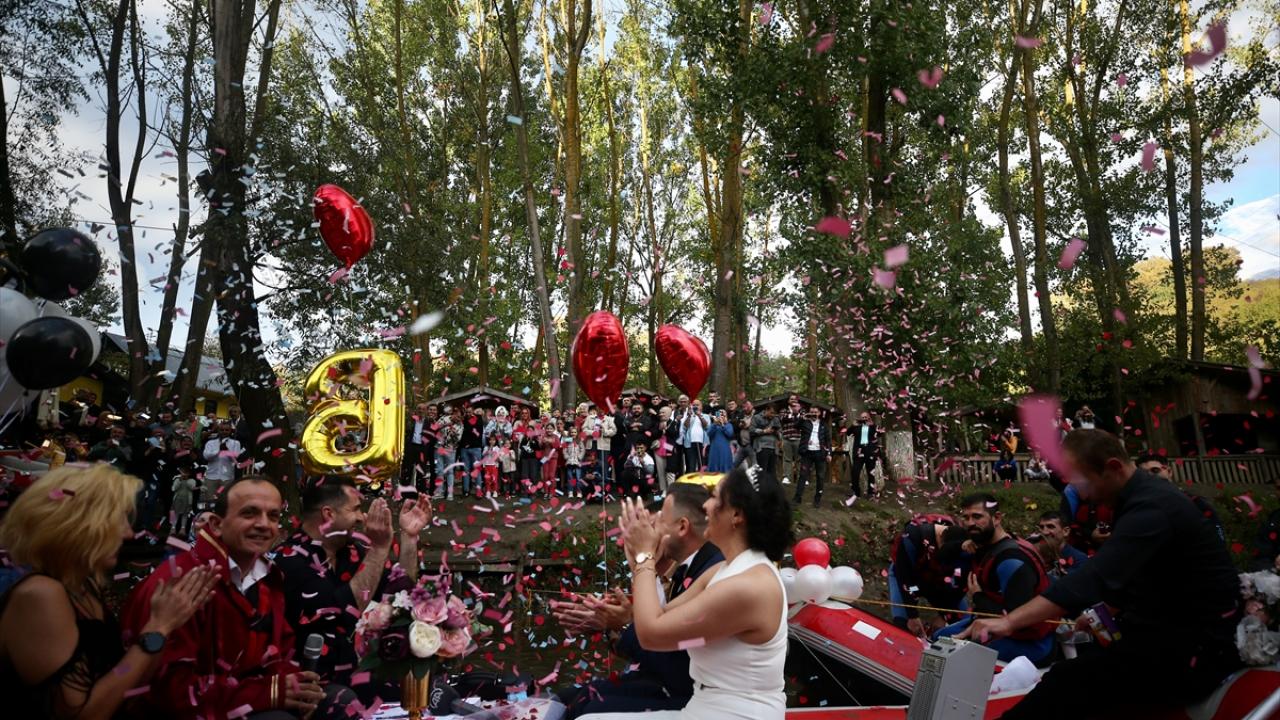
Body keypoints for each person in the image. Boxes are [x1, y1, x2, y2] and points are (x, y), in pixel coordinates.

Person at [960, 429, 1243, 719]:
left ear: (1113, 468)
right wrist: (1105, 609)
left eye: (1082, 482)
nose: (1081, 494)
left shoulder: (1153, 507)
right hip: (1162, 633)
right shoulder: (1136, 501)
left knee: (1064, 683)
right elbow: (1142, 572)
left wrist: (1008, 622)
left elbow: (1094, 577)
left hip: (1195, 648)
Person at [122, 475, 354, 719]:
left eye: (273, 516)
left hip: (250, 701)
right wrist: (269, 693)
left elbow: (280, 652)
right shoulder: (182, 579)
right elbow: (170, 692)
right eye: (249, 513)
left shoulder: (268, 576)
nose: (263, 524)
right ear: (216, 524)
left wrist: (293, 685)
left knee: (339, 701)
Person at [0, 464, 218, 719]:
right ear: (76, 524)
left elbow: (125, 681)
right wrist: (158, 628)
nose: (128, 532)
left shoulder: (85, 584)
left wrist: (166, 623)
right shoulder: (41, 594)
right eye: (118, 519)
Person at [580, 465, 793, 720]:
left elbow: (650, 635)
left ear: (736, 515)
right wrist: (642, 564)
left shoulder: (751, 585)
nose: (706, 506)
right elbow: (660, 616)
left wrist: (644, 556)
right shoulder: (725, 570)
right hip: (705, 707)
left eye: (715, 499)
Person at [551, 484, 723, 718]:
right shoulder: (687, 569)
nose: (645, 536)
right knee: (575, 697)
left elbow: (672, 658)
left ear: (682, 527)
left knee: (589, 711)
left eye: (655, 525)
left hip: (690, 693)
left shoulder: (710, 571)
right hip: (670, 681)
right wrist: (608, 624)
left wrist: (624, 623)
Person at [276, 477, 430, 695]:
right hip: (309, 688)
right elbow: (341, 614)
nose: (361, 517)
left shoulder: (352, 551)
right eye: (355, 509)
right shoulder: (289, 559)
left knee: (424, 688)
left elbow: (400, 593)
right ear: (328, 514)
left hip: (354, 675)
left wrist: (409, 537)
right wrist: (379, 549)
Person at [934, 493, 1053, 665]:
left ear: (996, 518)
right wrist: (962, 544)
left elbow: (1018, 620)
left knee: (947, 651)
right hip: (992, 624)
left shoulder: (1011, 561)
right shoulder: (984, 544)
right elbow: (942, 555)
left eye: (977, 517)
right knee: (939, 637)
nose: (970, 523)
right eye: (966, 518)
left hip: (1029, 642)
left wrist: (978, 596)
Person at [887, 514, 969, 637]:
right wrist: (912, 615)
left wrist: (944, 615)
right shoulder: (912, 536)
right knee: (903, 626)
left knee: (963, 625)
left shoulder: (965, 547)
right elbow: (905, 580)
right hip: (909, 578)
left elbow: (960, 584)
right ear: (939, 538)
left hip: (938, 580)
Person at [1136, 452, 1225, 544]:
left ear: (1169, 471)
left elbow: (1217, 534)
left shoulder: (1195, 501)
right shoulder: (1140, 506)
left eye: (1155, 470)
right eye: (1143, 473)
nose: (1150, 475)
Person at [793, 406, 831, 508]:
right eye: (812, 412)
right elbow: (796, 426)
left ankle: (817, 499)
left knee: (820, 476)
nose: (813, 414)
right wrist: (802, 418)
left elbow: (828, 440)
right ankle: (797, 498)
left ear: (819, 413)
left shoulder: (823, 425)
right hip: (807, 452)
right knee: (803, 475)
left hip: (820, 453)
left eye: (815, 412)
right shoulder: (805, 422)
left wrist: (829, 453)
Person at [1032, 511, 1089, 579]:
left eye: (1050, 527)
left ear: (1065, 531)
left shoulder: (1080, 559)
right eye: (1041, 527)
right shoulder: (1034, 554)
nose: (1044, 532)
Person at [201, 421, 243, 505]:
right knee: (209, 502)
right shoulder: (210, 442)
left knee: (224, 502)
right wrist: (218, 451)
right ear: (218, 431)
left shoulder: (236, 443)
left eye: (226, 430)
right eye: (222, 430)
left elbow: (236, 457)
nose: (224, 432)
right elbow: (206, 456)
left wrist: (226, 451)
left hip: (227, 477)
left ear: (230, 431)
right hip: (211, 477)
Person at [847, 411, 881, 499]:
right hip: (859, 451)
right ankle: (856, 492)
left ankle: (871, 492)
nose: (864, 419)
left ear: (869, 417)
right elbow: (848, 433)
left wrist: (873, 425)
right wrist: (853, 425)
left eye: (866, 417)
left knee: (871, 473)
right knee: (855, 472)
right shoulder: (857, 426)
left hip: (870, 451)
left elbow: (880, 434)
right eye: (862, 417)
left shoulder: (872, 426)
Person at [676, 397, 709, 474]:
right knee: (691, 466)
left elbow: (707, 427)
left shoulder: (706, 416)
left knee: (702, 465)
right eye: (694, 405)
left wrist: (700, 416)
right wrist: (689, 416)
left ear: (701, 406)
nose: (696, 406)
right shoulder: (689, 415)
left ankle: (702, 480)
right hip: (689, 444)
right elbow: (685, 426)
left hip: (703, 444)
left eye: (697, 405)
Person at [750, 404, 781, 481]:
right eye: (771, 413)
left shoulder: (776, 419)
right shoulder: (756, 417)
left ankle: (771, 487)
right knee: (762, 470)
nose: (773, 415)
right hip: (762, 447)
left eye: (774, 413)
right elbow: (751, 430)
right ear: (766, 410)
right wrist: (764, 431)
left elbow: (781, 431)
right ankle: (761, 486)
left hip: (774, 448)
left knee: (772, 471)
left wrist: (777, 432)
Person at [779, 397, 804, 482]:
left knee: (800, 459)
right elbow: (782, 419)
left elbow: (803, 421)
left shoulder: (802, 410)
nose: (793, 400)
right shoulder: (784, 410)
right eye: (791, 399)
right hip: (787, 438)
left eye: (795, 399)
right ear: (788, 401)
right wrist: (793, 413)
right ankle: (786, 477)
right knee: (787, 459)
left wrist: (797, 413)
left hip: (798, 438)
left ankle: (801, 478)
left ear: (797, 401)